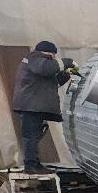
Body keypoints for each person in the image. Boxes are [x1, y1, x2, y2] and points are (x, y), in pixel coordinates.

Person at [12, 40, 75, 173]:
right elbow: (46, 68)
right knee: (31, 136)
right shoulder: (34, 58)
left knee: (33, 136)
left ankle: (34, 163)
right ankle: (31, 166)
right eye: (53, 56)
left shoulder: (37, 64)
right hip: (31, 106)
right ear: (46, 53)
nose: (54, 59)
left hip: (33, 107)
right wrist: (67, 62)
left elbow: (50, 84)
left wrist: (66, 75)